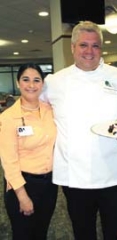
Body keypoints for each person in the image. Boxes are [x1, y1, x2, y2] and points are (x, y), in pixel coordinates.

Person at [41, 21, 117, 240]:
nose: (90, 51)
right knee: (83, 232)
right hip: (75, 175)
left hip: (116, 173)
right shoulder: (54, 82)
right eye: (83, 45)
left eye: (95, 46)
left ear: (101, 48)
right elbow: (35, 109)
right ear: (72, 48)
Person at [0, 63, 58, 240]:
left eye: (36, 80)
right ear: (18, 83)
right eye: (26, 80)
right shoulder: (8, 117)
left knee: (41, 232)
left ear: (42, 84)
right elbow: (9, 161)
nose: (31, 85)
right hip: (23, 185)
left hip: (49, 184)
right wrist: (23, 196)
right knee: (23, 234)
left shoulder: (50, 111)